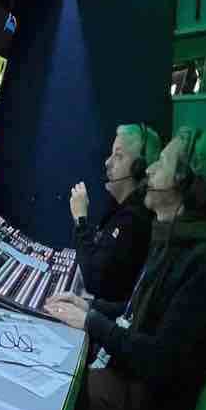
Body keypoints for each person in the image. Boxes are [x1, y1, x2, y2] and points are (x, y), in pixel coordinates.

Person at [45, 127, 206, 410]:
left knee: (52, 385)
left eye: (162, 162)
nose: (149, 169)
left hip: (144, 401)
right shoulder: (173, 237)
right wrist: (90, 307)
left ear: (184, 182)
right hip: (129, 381)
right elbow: (138, 312)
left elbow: (160, 360)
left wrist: (91, 322)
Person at [70, 124, 161, 301]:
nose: (107, 162)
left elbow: (95, 281)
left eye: (118, 156)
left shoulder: (135, 220)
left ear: (139, 168)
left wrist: (80, 221)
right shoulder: (120, 208)